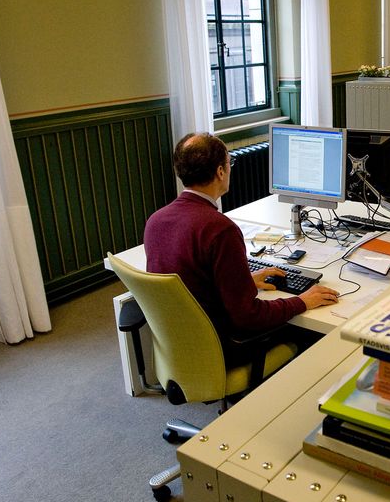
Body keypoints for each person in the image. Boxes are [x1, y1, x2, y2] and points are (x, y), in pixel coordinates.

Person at [144, 132, 338, 348]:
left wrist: (244, 280)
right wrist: (302, 301)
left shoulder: (155, 221)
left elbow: (193, 282)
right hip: (225, 346)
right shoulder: (220, 229)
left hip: (182, 344)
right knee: (312, 333)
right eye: (230, 163)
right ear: (220, 171)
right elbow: (248, 316)